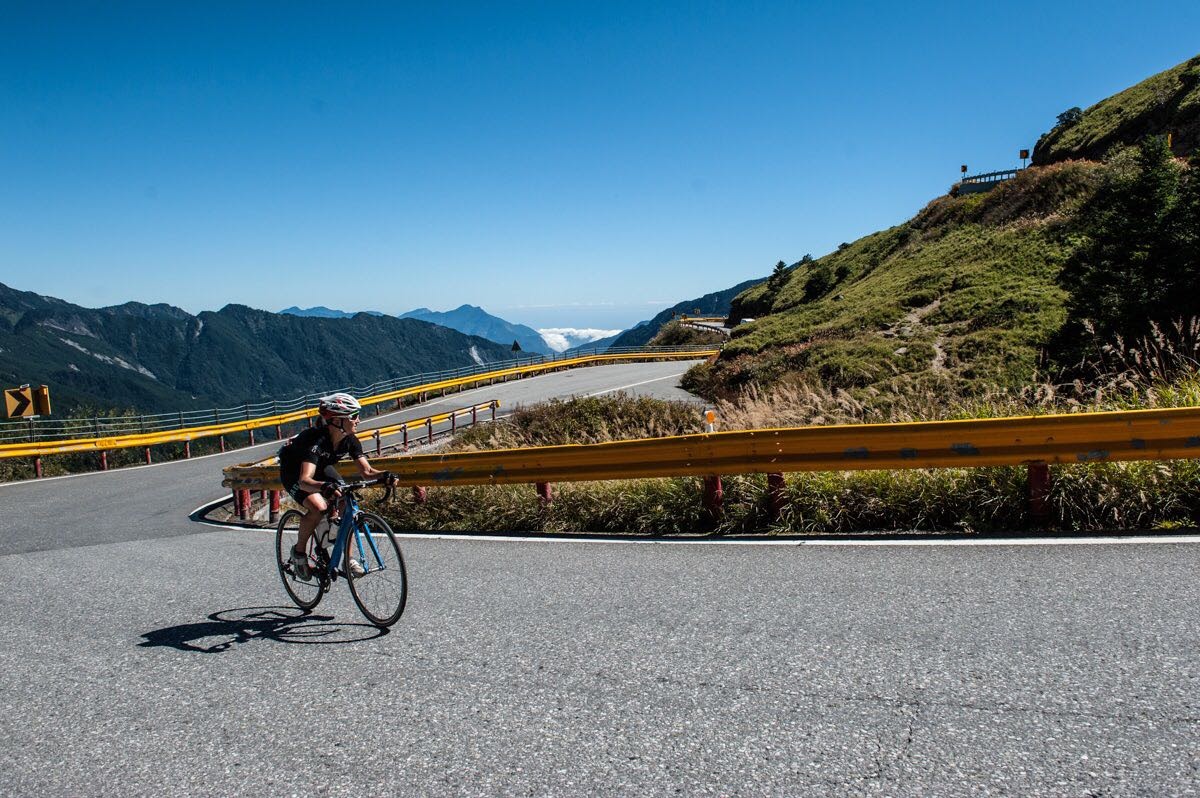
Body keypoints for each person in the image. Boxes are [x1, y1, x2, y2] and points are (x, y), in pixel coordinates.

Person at [277, 392, 396, 579]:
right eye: (354, 416)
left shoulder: (350, 440)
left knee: (346, 501)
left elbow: (367, 472)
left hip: (321, 468)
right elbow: (305, 480)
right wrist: (324, 487)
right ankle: (299, 553)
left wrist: (385, 476)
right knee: (318, 507)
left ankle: (347, 559)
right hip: (294, 471)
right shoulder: (316, 440)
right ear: (338, 420)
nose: (358, 420)